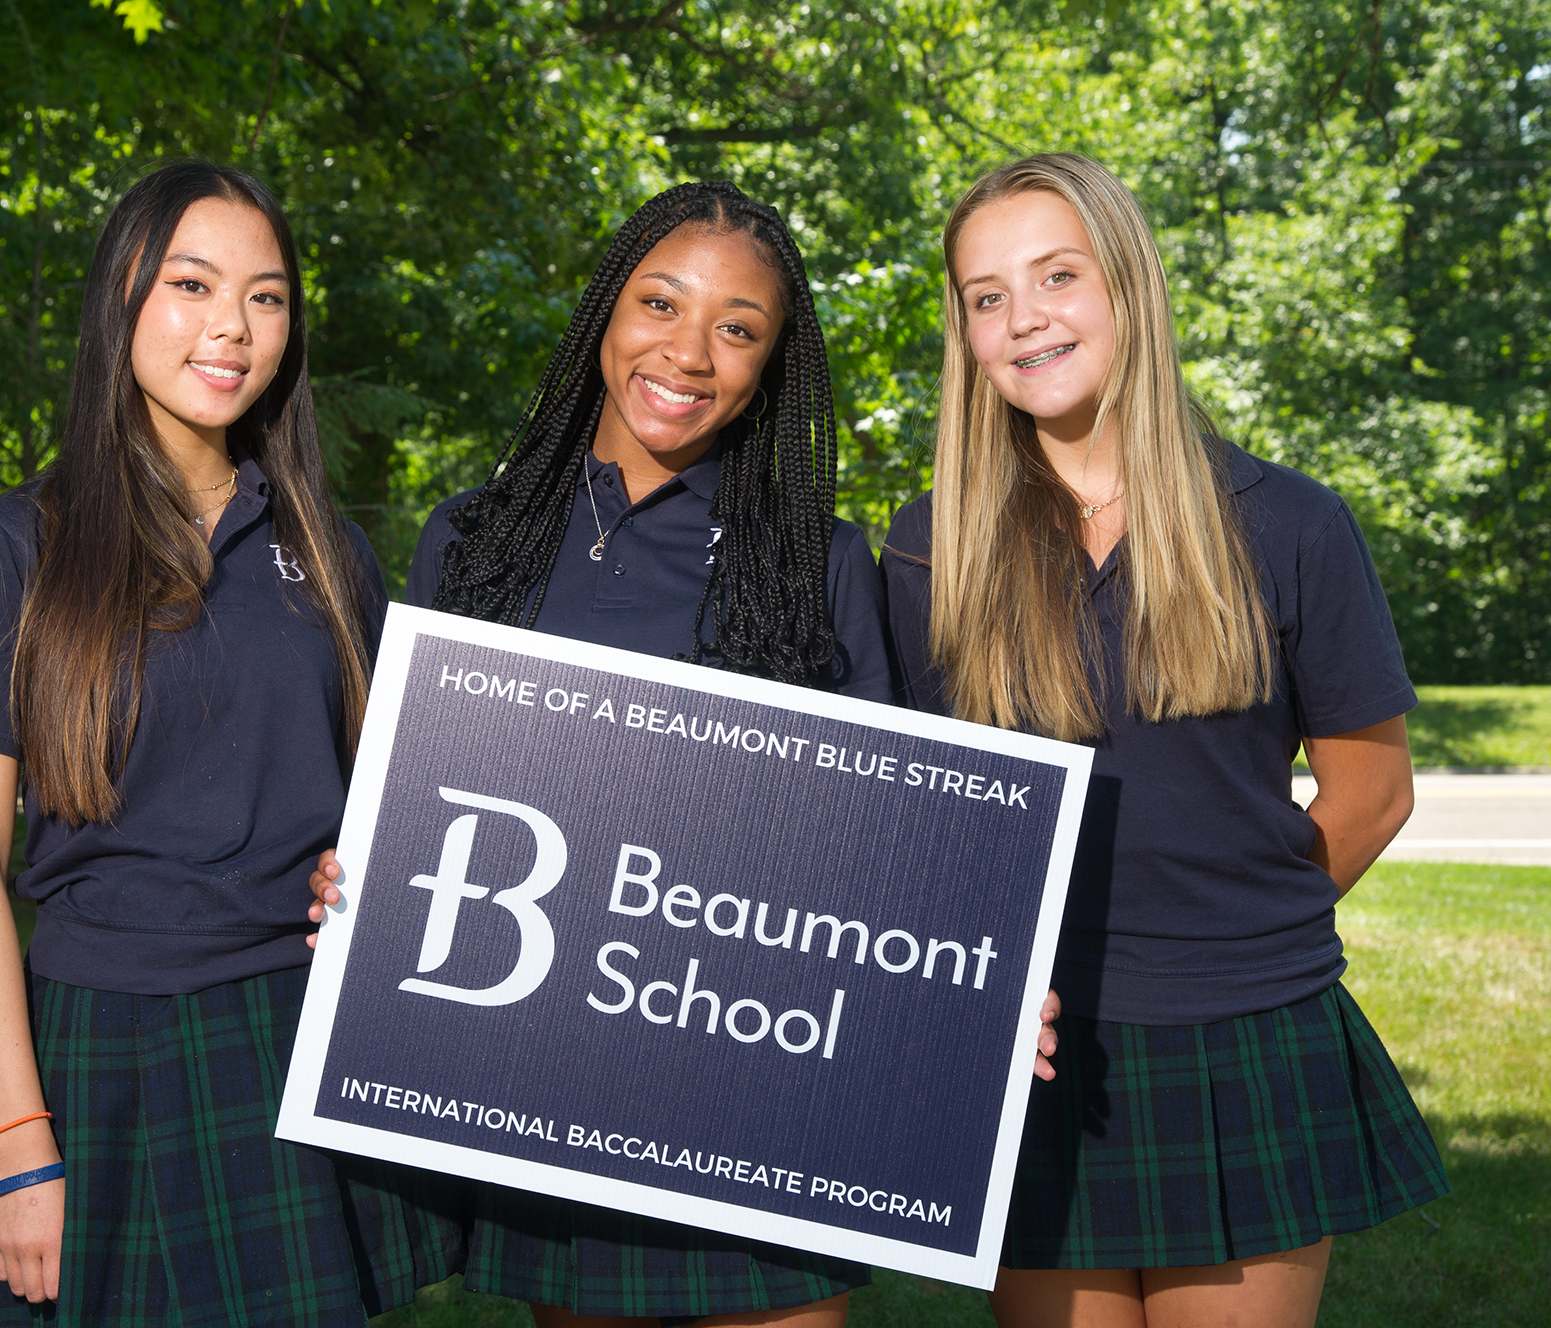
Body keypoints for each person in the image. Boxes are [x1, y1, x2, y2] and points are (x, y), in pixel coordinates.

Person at [310, 180, 891, 1328]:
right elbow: (416, 803)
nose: (689, 351)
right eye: (659, 304)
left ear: (772, 365)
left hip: (753, 1093)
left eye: (738, 328)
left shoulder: (817, 561)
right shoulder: (475, 543)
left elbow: (881, 842)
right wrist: (363, 870)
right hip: (554, 1091)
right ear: (603, 317)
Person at [881, 153, 1449, 1328]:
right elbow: (918, 807)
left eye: (1056, 275)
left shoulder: (1291, 523)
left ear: (1130, 287)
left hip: (1245, 1034)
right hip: (1029, 1052)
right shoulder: (932, 545)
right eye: (987, 296)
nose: (1023, 316)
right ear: (965, 335)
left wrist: (1232, 936)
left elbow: (1374, 792)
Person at [0, 160, 463, 1325]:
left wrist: (349, 870)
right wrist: (19, 1144)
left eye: (267, 297)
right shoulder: (7, 546)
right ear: (122, 294)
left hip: (292, 1029)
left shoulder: (331, 548)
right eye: (194, 284)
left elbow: (380, 814)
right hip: (99, 1044)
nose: (233, 327)